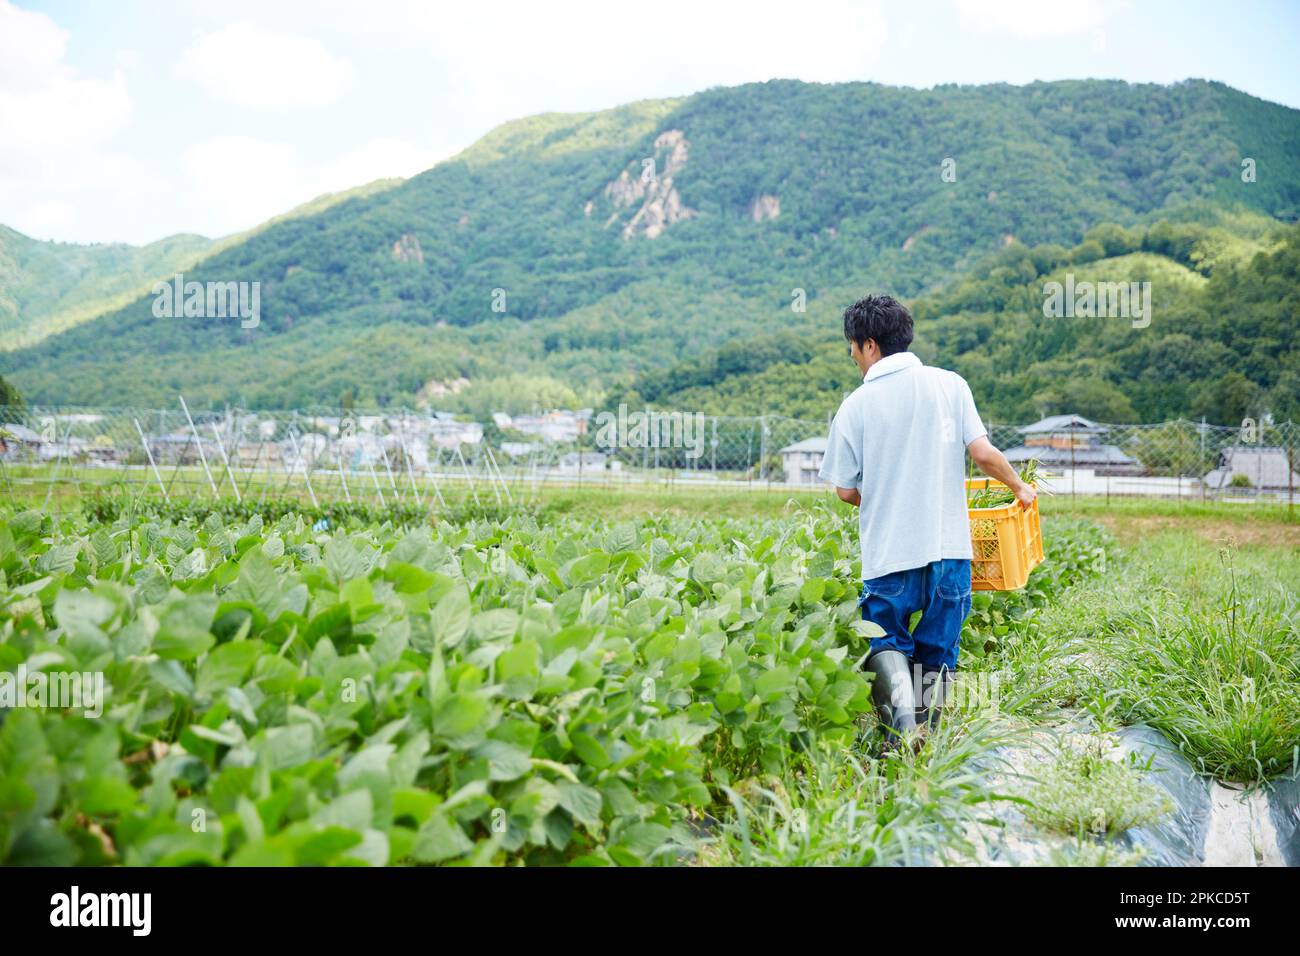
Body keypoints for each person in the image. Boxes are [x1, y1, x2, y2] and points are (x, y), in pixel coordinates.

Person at [818, 294, 1035, 749]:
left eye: (853, 349)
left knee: (886, 641)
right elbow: (982, 453)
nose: (854, 358)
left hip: (890, 555)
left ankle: (901, 734)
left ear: (870, 345)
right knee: (938, 650)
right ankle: (930, 743)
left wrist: (885, 499)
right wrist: (1020, 487)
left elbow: (844, 490)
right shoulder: (950, 385)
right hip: (949, 553)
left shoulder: (855, 406)